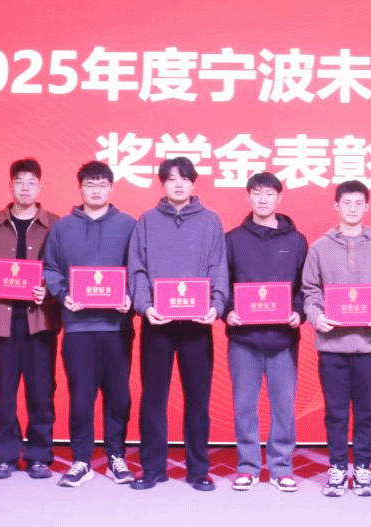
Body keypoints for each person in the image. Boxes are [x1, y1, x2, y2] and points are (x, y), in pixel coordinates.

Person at [127, 157, 229, 491]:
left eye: (184, 178)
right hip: (158, 322)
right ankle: (153, 468)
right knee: (153, 399)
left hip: (197, 325)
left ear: (193, 183)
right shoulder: (147, 220)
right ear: (163, 184)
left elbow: (218, 266)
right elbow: (138, 268)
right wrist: (145, 306)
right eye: (171, 179)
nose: (178, 184)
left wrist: (216, 305)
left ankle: (198, 469)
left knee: (198, 399)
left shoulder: (211, 221)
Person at [303, 180, 371, 497]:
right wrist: (317, 316)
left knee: (366, 412)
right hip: (332, 345)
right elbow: (310, 292)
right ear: (336, 206)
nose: (353, 208)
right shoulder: (319, 248)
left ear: (367, 207)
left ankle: (362, 467)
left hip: (369, 345)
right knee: (335, 412)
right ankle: (336, 467)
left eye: (359, 202)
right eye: (347, 202)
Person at [42, 160, 136, 487]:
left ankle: (116, 457)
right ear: (80, 188)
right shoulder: (63, 227)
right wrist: (63, 294)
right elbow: (51, 269)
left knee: (118, 397)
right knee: (81, 397)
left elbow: (139, 268)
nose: (96, 191)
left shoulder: (129, 225)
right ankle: (82, 460)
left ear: (111, 188)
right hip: (78, 327)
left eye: (102, 185)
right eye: (89, 185)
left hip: (116, 327)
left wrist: (130, 297)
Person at [0, 158, 61, 480]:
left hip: (41, 321)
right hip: (3, 320)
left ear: (40, 186)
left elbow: (64, 269)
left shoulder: (55, 225)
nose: (25, 188)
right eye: (19, 182)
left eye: (31, 182)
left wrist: (48, 290)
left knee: (41, 391)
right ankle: (4, 456)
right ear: (10, 185)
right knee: (3, 392)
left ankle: (39, 456)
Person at [223, 172, 308, 492]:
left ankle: (281, 467)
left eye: (269, 194)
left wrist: (298, 312)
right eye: (257, 193)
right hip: (244, 338)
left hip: (283, 338)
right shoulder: (232, 239)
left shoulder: (296, 240)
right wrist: (228, 310)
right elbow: (222, 281)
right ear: (248, 197)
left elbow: (305, 285)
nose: (263, 199)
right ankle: (247, 466)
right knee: (244, 405)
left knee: (284, 406)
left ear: (279, 198)